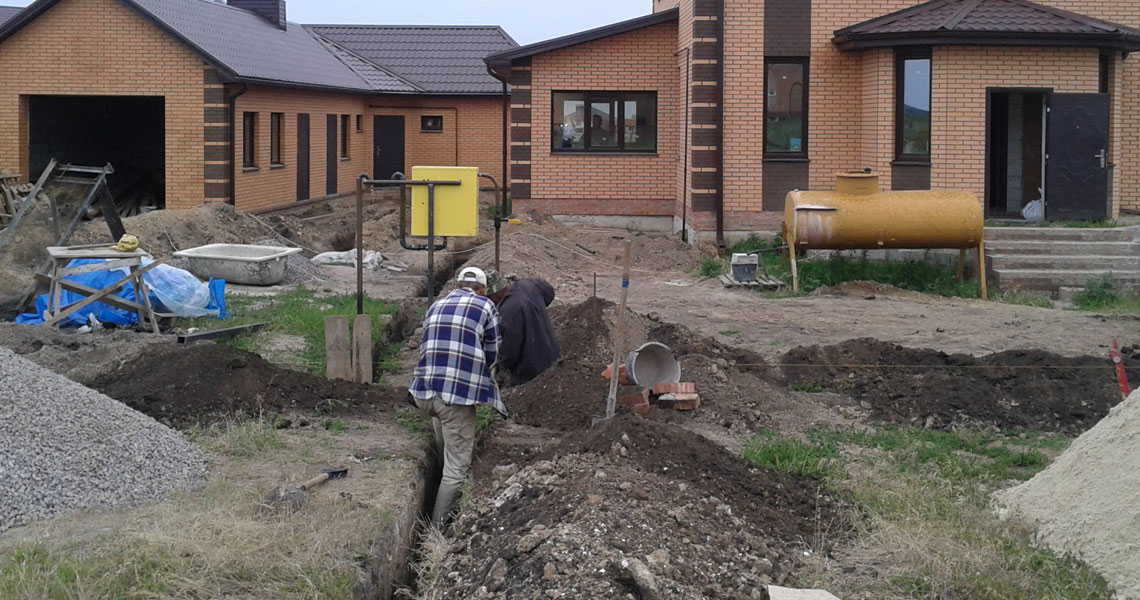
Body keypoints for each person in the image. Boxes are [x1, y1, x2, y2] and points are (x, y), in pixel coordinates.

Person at [409, 266, 501, 527]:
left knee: (444, 430)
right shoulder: (485, 306)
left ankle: (437, 472)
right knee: (457, 469)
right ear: (482, 290)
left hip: (423, 392)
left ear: (457, 285)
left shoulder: (437, 305)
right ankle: (436, 533)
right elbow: (493, 351)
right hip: (454, 398)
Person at [494, 279, 560, 385]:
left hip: (531, 371)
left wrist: (499, 366)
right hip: (553, 357)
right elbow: (547, 291)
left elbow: (509, 349)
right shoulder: (526, 285)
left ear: (495, 295)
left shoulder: (508, 311)